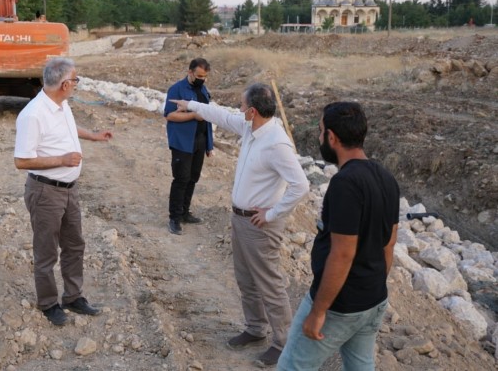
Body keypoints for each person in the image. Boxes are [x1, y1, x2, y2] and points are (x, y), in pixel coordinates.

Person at [172, 83, 309, 367]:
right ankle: (256, 329)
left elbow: (301, 186)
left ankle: (283, 343)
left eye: (241, 106)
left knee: (269, 284)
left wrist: (272, 214)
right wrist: (192, 106)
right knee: (246, 279)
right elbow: (220, 115)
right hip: (240, 219)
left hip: (260, 225)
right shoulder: (251, 128)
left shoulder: (276, 143)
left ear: (253, 111)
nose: (238, 110)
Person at [277, 102, 399, 371]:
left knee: (291, 366)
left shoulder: (345, 183)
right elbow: (389, 243)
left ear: (332, 137)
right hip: (373, 299)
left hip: (340, 306)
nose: (320, 138)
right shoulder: (386, 177)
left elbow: (343, 253)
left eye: (321, 132)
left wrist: (319, 311)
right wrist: (372, 286)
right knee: (360, 366)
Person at [14, 57, 113, 326]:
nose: (77, 84)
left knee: (74, 244)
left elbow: (68, 129)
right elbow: (21, 161)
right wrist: (62, 160)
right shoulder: (33, 114)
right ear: (65, 84)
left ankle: (73, 297)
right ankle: (48, 303)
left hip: (69, 190)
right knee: (46, 251)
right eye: (76, 80)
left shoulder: (61, 104)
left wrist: (92, 135)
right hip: (46, 192)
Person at [163, 58, 214, 235]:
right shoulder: (176, 89)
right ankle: (174, 218)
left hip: (199, 140)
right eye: (199, 75)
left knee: (193, 177)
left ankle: (185, 212)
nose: (202, 79)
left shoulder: (203, 90)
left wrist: (209, 144)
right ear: (190, 72)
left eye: (205, 76)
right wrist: (193, 116)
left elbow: (206, 117)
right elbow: (169, 115)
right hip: (182, 142)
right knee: (181, 179)